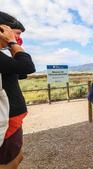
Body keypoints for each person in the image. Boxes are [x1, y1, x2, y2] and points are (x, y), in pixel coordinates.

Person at [0, 11, 35, 169]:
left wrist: (13, 47)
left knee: (17, 156)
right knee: (9, 162)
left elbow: (21, 73)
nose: (19, 38)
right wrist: (13, 43)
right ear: (3, 30)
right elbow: (27, 66)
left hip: (12, 118)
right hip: (7, 119)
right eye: (17, 34)